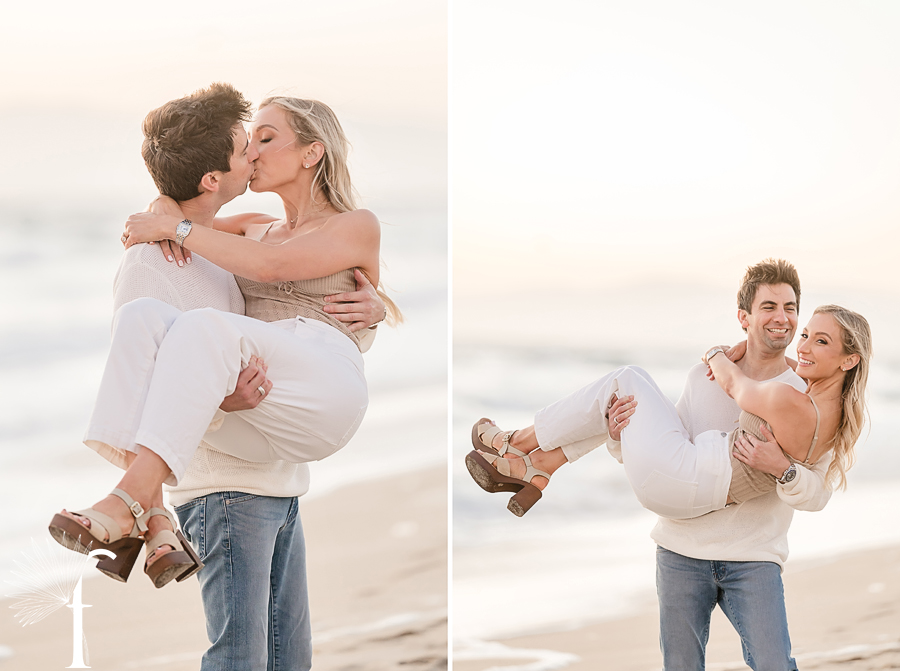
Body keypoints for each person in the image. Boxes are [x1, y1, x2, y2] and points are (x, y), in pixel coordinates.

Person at [49, 84, 396, 616]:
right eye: (248, 140)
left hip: (325, 384)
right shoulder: (254, 228)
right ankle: (152, 512)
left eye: (266, 137)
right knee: (142, 317)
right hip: (262, 402)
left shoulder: (355, 224)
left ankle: (128, 503)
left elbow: (269, 269)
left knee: (204, 326)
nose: (252, 151)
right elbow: (191, 209)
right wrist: (164, 207)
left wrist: (173, 224)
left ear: (311, 152)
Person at [467, 259, 872, 669]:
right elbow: (665, 447)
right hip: (681, 547)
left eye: (790, 309)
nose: (783, 321)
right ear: (743, 317)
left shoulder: (800, 393)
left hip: (752, 556)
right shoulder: (704, 378)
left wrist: (782, 469)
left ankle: (523, 451)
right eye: (770, 307)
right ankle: (537, 462)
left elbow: (817, 492)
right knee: (622, 400)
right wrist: (618, 432)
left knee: (774, 664)